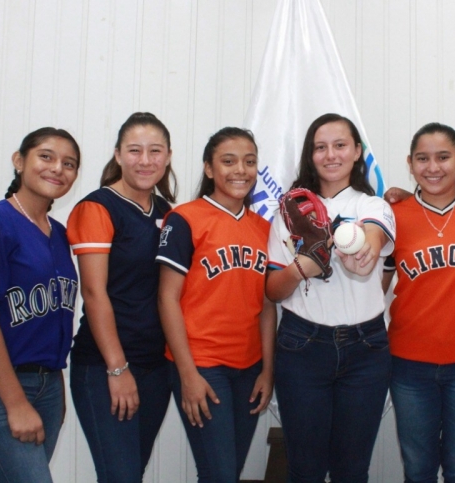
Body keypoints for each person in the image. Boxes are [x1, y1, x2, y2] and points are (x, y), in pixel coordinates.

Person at [266, 113, 396, 483]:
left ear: (357, 152)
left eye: (340, 145)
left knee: (351, 471)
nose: (331, 155)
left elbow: (371, 241)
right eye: (320, 147)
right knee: (305, 470)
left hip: (365, 348)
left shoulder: (374, 205)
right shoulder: (290, 211)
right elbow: (273, 290)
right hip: (302, 346)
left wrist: (361, 254)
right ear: (310, 155)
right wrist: (300, 268)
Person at [0, 127, 81, 483]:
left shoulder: (60, 233)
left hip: (47, 385)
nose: (57, 168)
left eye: (69, 163)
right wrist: (16, 402)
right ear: (19, 161)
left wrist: (53, 387)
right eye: (46, 156)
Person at [382, 123, 455, 483]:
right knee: (418, 470)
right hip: (409, 364)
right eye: (423, 158)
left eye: (444, 157)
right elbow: (374, 287)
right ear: (410, 163)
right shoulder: (392, 215)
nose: (433, 167)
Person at [157, 127, 275, 482]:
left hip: (249, 367)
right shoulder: (185, 219)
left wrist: (268, 370)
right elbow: (167, 298)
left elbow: (267, 304)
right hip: (203, 364)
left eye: (249, 162)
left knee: (225, 473)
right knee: (220, 474)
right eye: (228, 161)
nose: (241, 170)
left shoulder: (264, 227)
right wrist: (187, 373)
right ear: (209, 168)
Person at [66, 112, 176, 482]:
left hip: (155, 368)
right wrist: (117, 368)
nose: (145, 160)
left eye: (155, 151)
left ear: (168, 156)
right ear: (117, 155)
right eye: (134, 150)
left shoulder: (168, 212)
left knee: (130, 473)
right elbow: (94, 293)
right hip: (105, 366)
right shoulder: (98, 208)